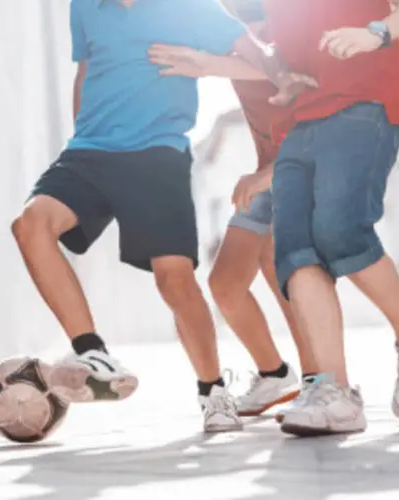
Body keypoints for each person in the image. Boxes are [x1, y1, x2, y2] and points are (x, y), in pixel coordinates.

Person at [11, 0, 314, 433]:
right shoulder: (85, 7)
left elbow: (254, 48)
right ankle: (91, 350)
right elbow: (86, 69)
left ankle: (213, 391)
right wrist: (83, 133)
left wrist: (274, 73)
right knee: (30, 224)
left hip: (158, 154)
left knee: (174, 279)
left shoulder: (187, 7)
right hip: (89, 154)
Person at [148, 0, 399, 436]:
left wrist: (374, 32)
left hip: (363, 104)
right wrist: (208, 64)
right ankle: (333, 391)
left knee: (340, 231)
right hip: (297, 124)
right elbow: (275, 59)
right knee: (295, 254)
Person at [150, 1, 317, 418]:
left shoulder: (285, 33)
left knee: (285, 274)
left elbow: (282, 68)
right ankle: (275, 373)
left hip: (299, 172)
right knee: (225, 283)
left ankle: (321, 382)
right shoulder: (233, 37)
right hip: (266, 177)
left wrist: (207, 64)